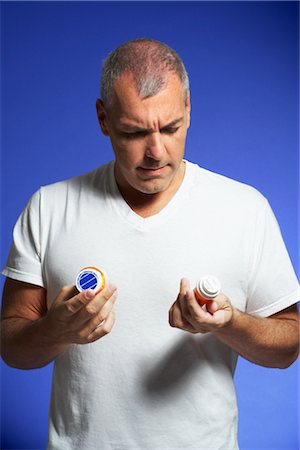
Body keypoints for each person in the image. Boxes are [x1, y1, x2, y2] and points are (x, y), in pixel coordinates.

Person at [1, 38, 299, 450]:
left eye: (171, 127)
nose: (156, 152)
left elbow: (288, 346)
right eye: (134, 132)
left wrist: (230, 324)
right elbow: (11, 348)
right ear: (104, 119)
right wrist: (55, 330)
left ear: (189, 109)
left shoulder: (245, 209)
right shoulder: (49, 207)